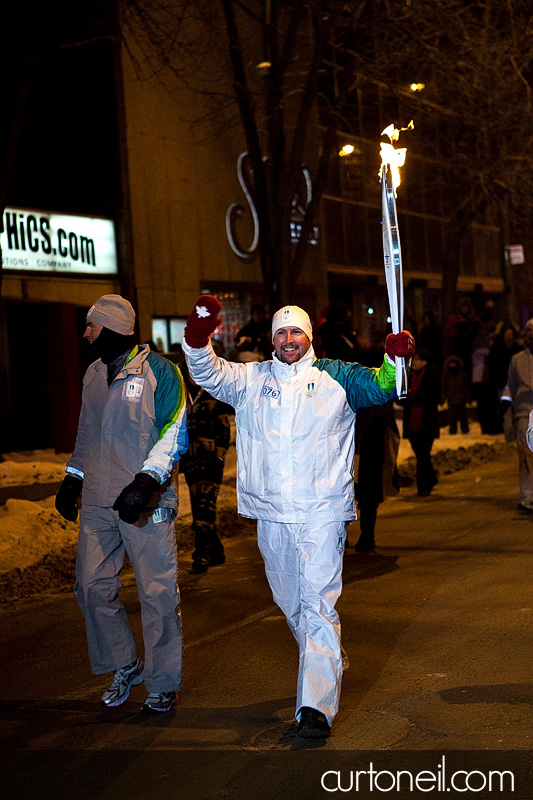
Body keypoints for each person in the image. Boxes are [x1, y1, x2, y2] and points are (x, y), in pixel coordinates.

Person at [182, 294, 414, 738]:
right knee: (292, 605)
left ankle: (315, 709)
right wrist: (197, 337)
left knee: (316, 604)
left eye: (296, 332)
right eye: (282, 334)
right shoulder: (252, 379)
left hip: (322, 510)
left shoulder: (335, 376)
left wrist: (393, 358)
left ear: (309, 336)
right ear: (273, 339)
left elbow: (382, 385)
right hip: (271, 513)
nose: (289, 340)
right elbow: (208, 372)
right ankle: (329, 660)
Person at [55, 295, 189, 713]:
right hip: (99, 498)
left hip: (145, 501)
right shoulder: (94, 374)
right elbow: (87, 434)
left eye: (91, 326)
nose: (85, 333)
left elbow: (174, 433)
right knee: (91, 586)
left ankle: (163, 682)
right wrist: (73, 477)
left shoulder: (161, 373)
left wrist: (146, 481)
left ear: (111, 328)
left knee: (157, 593)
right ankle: (125, 663)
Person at [170, 345, 232, 574]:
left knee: (206, 502)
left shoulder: (214, 389)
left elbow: (224, 429)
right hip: (190, 459)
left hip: (211, 458)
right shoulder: (179, 391)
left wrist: (220, 455)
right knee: (199, 503)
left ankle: (202, 553)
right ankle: (216, 550)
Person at [353, 401, 400, 552]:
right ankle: (364, 535)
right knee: (366, 495)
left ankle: (365, 535)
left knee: (366, 495)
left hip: (367, 446)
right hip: (366, 446)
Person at [501, 319, 533, 513]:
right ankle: (528, 498)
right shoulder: (517, 360)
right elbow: (510, 385)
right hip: (524, 413)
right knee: (526, 456)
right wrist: (504, 402)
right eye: (528, 331)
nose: (531, 334)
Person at [402, 347, 441, 497]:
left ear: (425, 361)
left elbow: (436, 397)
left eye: (418, 359)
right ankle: (430, 479)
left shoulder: (433, 374)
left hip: (427, 420)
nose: (415, 362)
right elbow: (399, 397)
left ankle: (423, 487)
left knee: (424, 453)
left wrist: (416, 396)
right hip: (411, 420)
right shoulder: (406, 375)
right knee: (419, 453)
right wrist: (409, 396)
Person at [442, 354, 470, 435]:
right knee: (452, 416)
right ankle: (453, 430)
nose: (452, 365)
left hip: (461, 398)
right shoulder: (447, 375)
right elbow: (444, 387)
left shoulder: (462, 374)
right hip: (451, 398)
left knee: (463, 416)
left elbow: (466, 386)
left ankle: (465, 429)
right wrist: (443, 398)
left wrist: (468, 397)